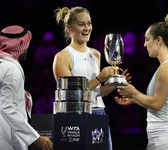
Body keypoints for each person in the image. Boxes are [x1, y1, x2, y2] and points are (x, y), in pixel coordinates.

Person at [52, 6, 131, 150]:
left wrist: (115, 83)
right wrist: (100, 77)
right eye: (81, 24)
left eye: (89, 23)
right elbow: (71, 94)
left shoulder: (96, 54)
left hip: (98, 113)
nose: (87, 28)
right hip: (76, 117)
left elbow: (97, 92)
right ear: (69, 27)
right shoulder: (62, 57)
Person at [0, 25, 52, 150]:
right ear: (20, 46)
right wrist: (35, 138)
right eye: (26, 45)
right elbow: (8, 109)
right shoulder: (10, 69)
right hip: (3, 139)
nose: (27, 49)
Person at [115, 13, 168, 150]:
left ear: (159, 40)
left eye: (147, 39)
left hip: (166, 136)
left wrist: (134, 92)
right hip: (161, 134)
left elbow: (157, 104)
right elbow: (162, 102)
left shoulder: (167, 67)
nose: (144, 44)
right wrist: (134, 100)